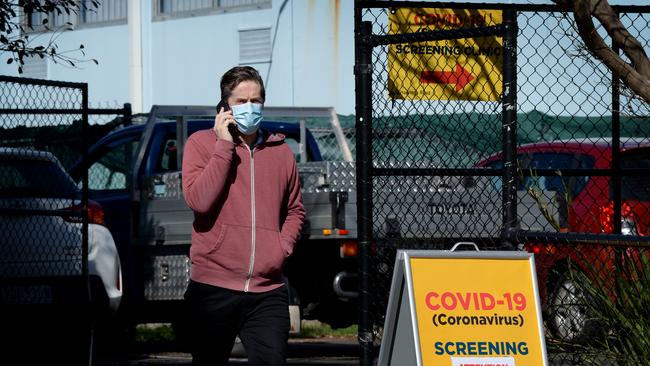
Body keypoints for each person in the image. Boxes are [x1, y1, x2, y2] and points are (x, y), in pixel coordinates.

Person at [181, 65, 305, 366]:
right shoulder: (200, 144)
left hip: (268, 290)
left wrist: (280, 247)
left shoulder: (280, 151)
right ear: (224, 106)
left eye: (256, 100)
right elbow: (199, 200)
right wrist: (224, 145)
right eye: (241, 101)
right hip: (213, 287)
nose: (250, 107)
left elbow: (295, 210)